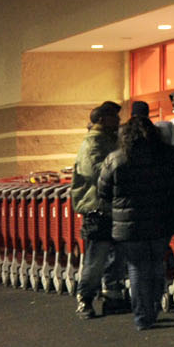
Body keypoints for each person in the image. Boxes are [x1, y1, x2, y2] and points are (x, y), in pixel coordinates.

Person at [96, 115, 174, 330]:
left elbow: (103, 190)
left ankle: (142, 315)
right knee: (157, 264)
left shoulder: (116, 159)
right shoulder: (167, 155)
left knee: (137, 268)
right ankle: (154, 306)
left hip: (129, 225)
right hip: (161, 219)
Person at [71, 100, 129, 318]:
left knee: (116, 256)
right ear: (103, 119)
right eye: (115, 118)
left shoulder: (110, 140)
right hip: (98, 207)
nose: (119, 121)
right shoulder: (92, 144)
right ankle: (84, 299)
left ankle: (113, 297)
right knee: (96, 258)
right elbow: (96, 172)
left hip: (113, 206)